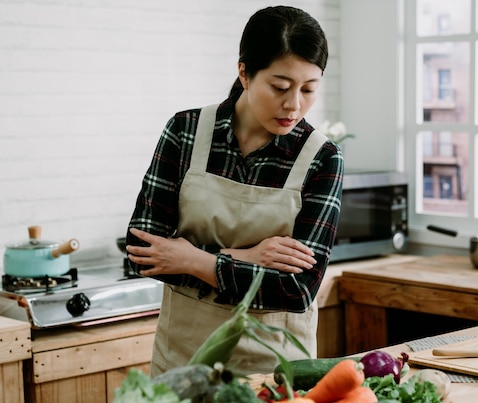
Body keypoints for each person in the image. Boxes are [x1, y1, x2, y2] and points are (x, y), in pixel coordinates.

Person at [125, 5, 343, 377]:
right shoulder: (186, 131)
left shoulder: (321, 157)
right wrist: (247, 256)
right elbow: (143, 254)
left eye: (309, 89)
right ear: (244, 72)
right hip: (182, 362)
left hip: (275, 370)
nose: (294, 105)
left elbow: (297, 289)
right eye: (280, 87)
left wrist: (191, 258)